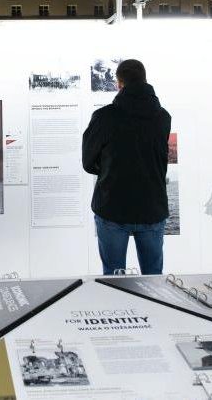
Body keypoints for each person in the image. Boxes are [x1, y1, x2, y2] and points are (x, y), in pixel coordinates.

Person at [82, 59, 171, 276]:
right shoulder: (163, 117)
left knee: (114, 277)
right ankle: (155, 311)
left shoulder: (104, 117)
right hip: (152, 206)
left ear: (119, 83)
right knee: (153, 278)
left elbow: (88, 162)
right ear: (145, 80)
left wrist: (109, 170)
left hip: (113, 206)